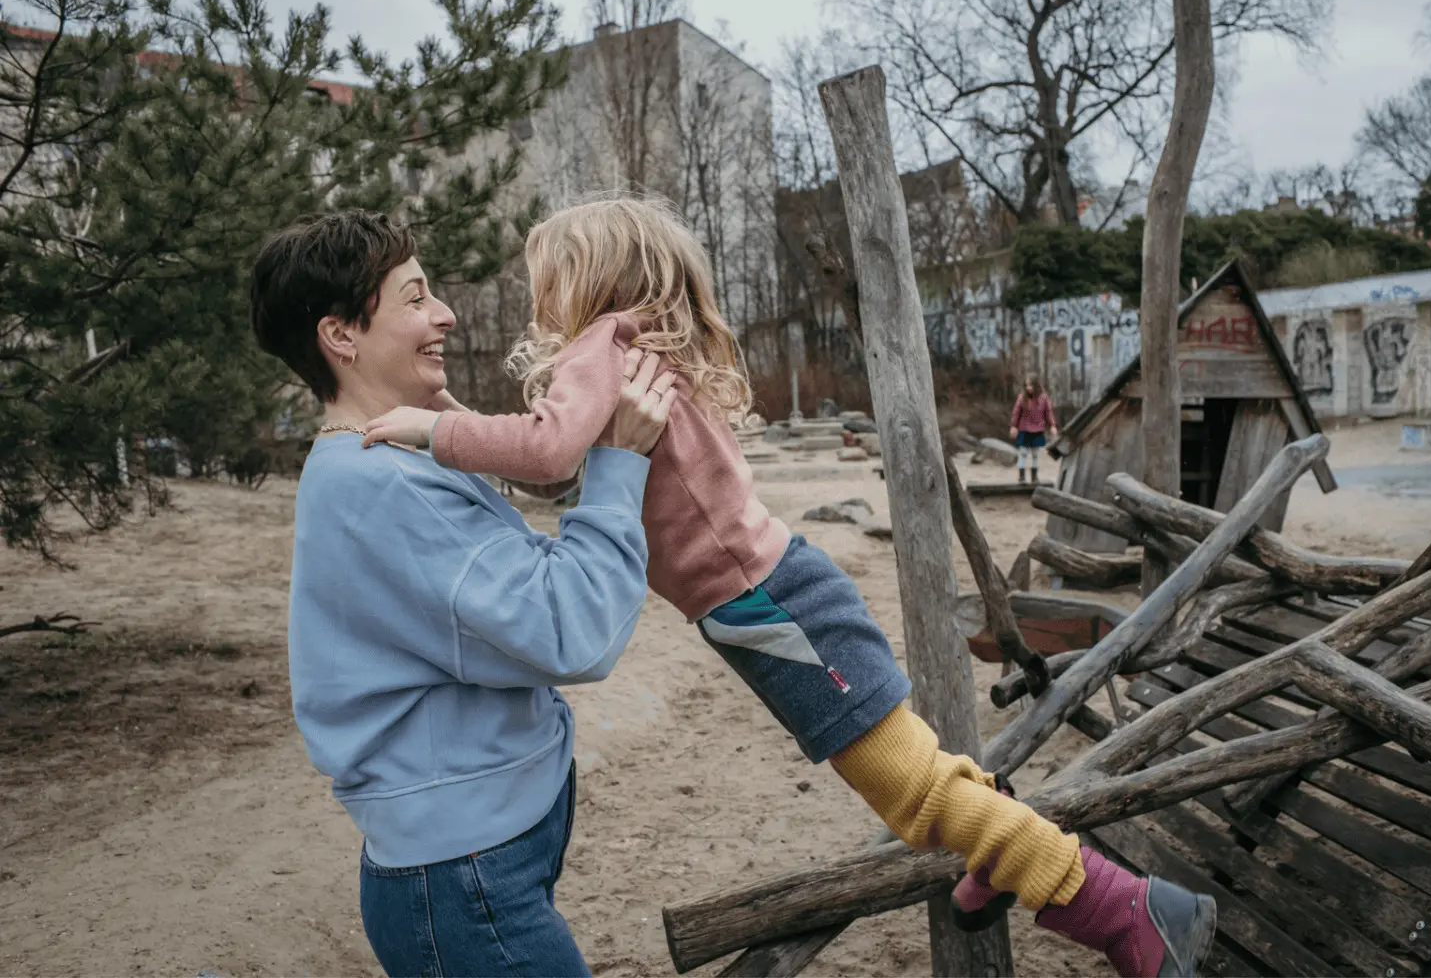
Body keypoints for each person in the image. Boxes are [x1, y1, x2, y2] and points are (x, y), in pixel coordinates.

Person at [360, 197, 1218, 978]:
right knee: (915, 768)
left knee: (912, 788)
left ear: (587, 281)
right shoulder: (639, 350)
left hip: (773, 608)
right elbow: (565, 470)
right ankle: (995, 859)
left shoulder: (601, 346)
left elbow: (544, 453)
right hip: (779, 595)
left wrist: (434, 430)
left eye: (546, 281)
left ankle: (1129, 914)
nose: (538, 303)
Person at [249, 208, 680, 977]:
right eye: (414, 298)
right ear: (341, 335)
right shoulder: (380, 486)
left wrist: (464, 428)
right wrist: (619, 463)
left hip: (474, 863)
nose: (444, 313)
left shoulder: (392, 461)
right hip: (464, 884)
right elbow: (570, 630)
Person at [1009, 375, 1058, 485]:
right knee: (1023, 453)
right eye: (1026, 385)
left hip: (1038, 430)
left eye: (1030, 385)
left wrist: (1052, 425)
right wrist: (1013, 426)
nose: (1028, 388)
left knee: (1036, 454)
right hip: (1024, 429)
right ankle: (1021, 477)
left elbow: (1048, 413)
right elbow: (1016, 413)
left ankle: (1034, 477)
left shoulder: (1044, 398)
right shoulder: (1022, 398)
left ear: (1036, 385)